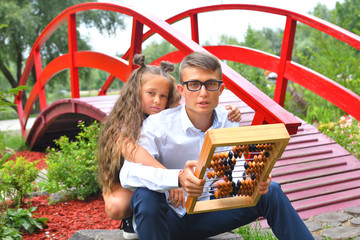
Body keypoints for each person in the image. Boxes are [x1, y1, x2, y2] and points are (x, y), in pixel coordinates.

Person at [120, 52, 314, 240]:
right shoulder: (158, 124)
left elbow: (231, 169)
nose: (203, 93)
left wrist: (252, 178)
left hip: (207, 214)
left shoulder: (228, 119)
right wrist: (176, 178)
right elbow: (127, 173)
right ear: (181, 90)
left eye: (210, 84)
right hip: (166, 221)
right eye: (194, 85)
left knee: (271, 191)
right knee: (146, 197)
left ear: (220, 89)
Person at [97, 54, 242, 239]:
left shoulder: (167, 115)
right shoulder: (125, 123)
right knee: (118, 206)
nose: (158, 100)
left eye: (163, 95)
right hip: (130, 177)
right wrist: (172, 180)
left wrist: (228, 113)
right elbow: (137, 154)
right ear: (136, 93)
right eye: (151, 93)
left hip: (162, 177)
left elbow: (194, 107)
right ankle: (130, 218)